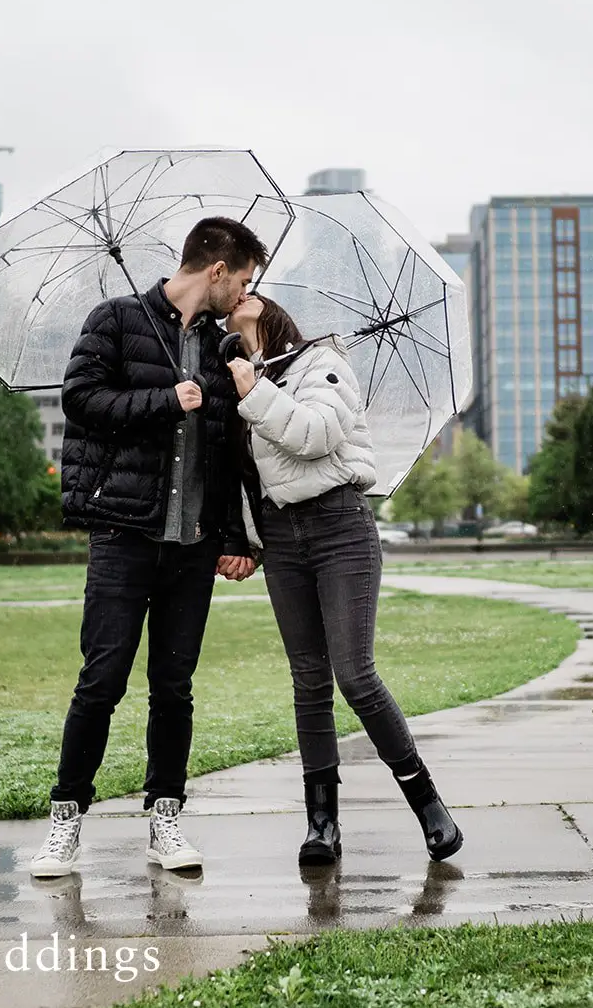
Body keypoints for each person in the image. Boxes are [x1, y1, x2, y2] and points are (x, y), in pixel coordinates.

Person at [28, 217, 264, 878]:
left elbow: (230, 452)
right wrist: (164, 399)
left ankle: (166, 818)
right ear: (217, 270)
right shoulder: (115, 320)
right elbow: (80, 400)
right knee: (101, 681)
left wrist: (238, 538)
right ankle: (65, 820)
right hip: (124, 535)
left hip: (193, 547)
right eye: (243, 280)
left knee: (174, 688)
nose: (245, 293)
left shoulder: (222, 349)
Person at [224, 293, 463, 865]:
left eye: (253, 289)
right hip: (281, 538)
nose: (242, 295)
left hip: (340, 528)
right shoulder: (238, 381)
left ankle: (427, 802)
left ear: (273, 309)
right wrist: (244, 541)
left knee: (355, 675)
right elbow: (242, 476)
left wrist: (253, 393)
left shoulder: (321, 362)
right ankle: (322, 825)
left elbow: (317, 434)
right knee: (309, 679)